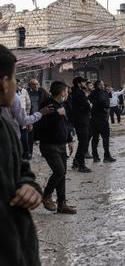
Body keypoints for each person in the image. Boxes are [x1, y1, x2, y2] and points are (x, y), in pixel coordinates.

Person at [0, 45, 43, 266]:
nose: (17, 85)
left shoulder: (5, 128)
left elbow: (22, 170)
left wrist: (29, 187)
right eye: (15, 78)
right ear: (4, 82)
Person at [36, 81, 76, 214]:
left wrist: (70, 139)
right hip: (49, 145)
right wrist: (56, 115)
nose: (67, 93)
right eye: (66, 90)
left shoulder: (61, 105)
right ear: (61, 92)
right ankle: (46, 195)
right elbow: (42, 125)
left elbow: (65, 124)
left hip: (61, 144)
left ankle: (62, 204)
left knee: (62, 173)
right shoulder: (47, 106)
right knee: (59, 171)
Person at [89, 80, 116, 163]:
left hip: (93, 119)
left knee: (95, 138)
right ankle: (106, 156)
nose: (104, 85)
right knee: (105, 138)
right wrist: (105, 106)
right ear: (99, 85)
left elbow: (90, 100)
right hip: (102, 118)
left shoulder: (92, 93)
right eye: (102, 84)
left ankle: (95, 157)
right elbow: (104, 103)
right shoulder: (101, 93)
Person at [69, 76, 92, 173]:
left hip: (77, 120)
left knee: (82, 142)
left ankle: (76, 162)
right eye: (83, 82)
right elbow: (87, 106)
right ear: (79, 84)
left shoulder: (73, 93)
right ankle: (81, 166)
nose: (85, 84)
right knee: (83, 142)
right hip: (82, 120)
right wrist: (89, 105)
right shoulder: (79, 93)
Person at [26, 78, 49, 158]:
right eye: (34, 84)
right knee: (30, 136)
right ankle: (29, 153)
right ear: (30, 85)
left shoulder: (42, 91)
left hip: (41, 116)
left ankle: (44, 152)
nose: (36, 86)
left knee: (43, 136)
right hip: (31, 117)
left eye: (37, 84)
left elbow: (48, 100)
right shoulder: (26, 92)